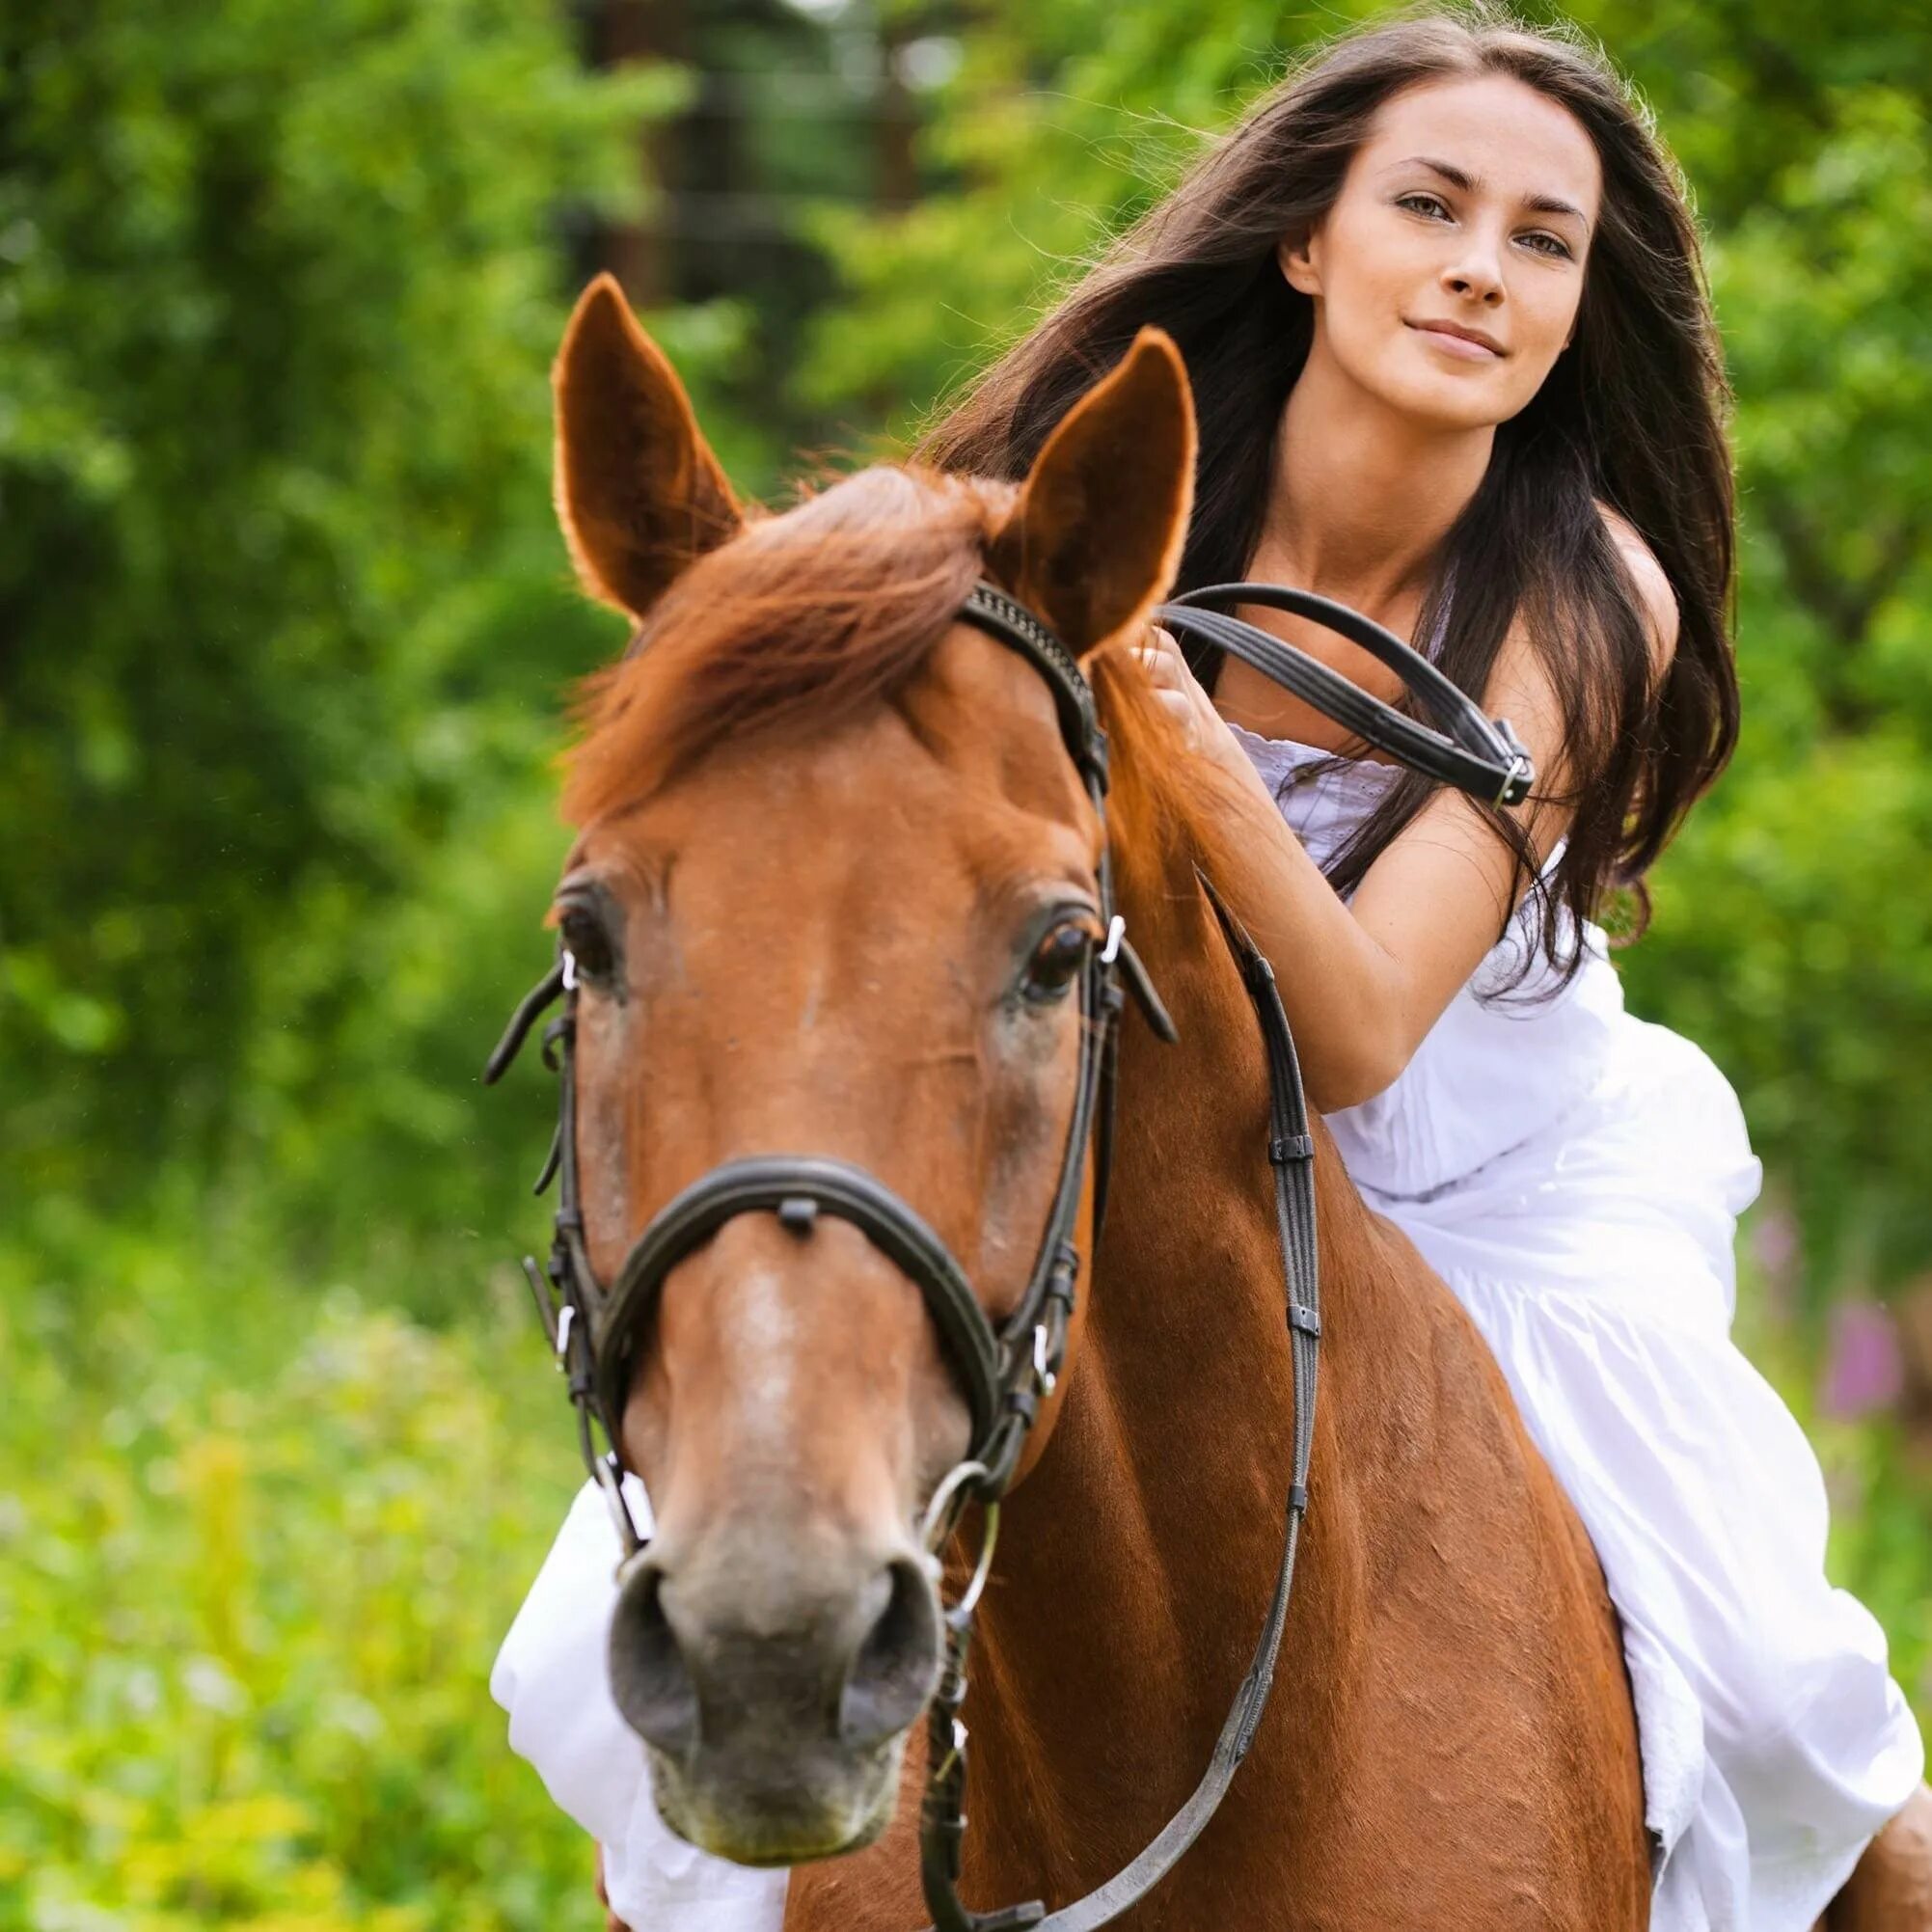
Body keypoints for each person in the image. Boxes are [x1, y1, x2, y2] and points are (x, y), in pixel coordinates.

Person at [491, 10, 1929, 1929]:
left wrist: (1148, 698)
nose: (1480, 268)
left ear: (1584, 302)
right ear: (1309, 241)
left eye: (1542, 240)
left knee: (1765, 1695)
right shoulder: (1067, 494)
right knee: (650, 1601)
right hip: (1142, 1112)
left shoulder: (1588, 593)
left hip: (1478, 1164)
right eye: (1429, 205)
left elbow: (1353, 1035)